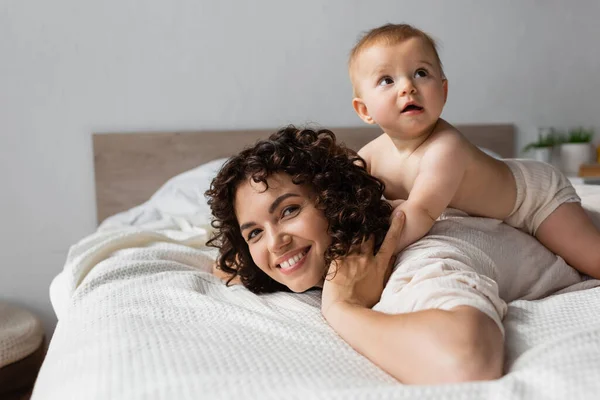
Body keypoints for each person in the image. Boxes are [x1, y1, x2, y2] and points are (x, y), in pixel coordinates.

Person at [205, 125, 590, 385]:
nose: (274, 243)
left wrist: (342, 309)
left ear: (333, 200)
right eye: (254, 232)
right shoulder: (353, 231)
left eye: (289, 211)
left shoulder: (419, 256)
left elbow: (467, 360)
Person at [348, 23, 600, 279]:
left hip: (535, 199)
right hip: (509, 193)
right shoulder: (370, 155)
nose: (408, 87)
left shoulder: (445, 149)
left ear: (444, 91)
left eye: (421, 73)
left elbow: (419, 213)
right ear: (365, 110)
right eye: (387, 80)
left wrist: (365, 255)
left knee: (592, 258)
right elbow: (343, 191)